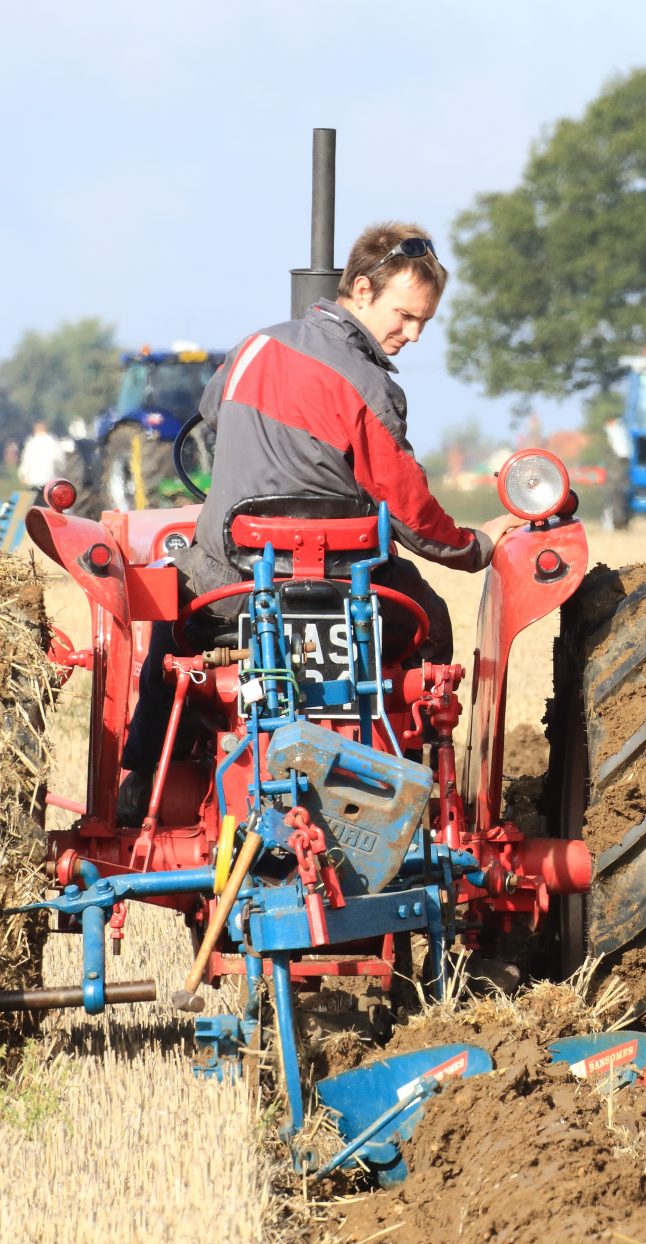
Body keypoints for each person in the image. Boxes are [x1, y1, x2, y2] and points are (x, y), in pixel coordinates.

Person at [120, 223, 522, 813]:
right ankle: (420, 789)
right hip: (347, 596)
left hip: (233, 590)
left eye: (423, 323)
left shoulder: (253, 348)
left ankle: (148, 776)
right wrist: (475, 547)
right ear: (361, 288)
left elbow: (209, 418)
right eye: (405, 316)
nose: (411, 334)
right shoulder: (372, 388)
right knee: (431, 623)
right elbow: (411, 515)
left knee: (171, 619)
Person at [19, 421, 64, 488]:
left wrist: (22, 475)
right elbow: (60, 461)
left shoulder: (31, 443)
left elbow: (26, 461)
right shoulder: (53, 442)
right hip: (50, 479)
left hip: (33, 480)